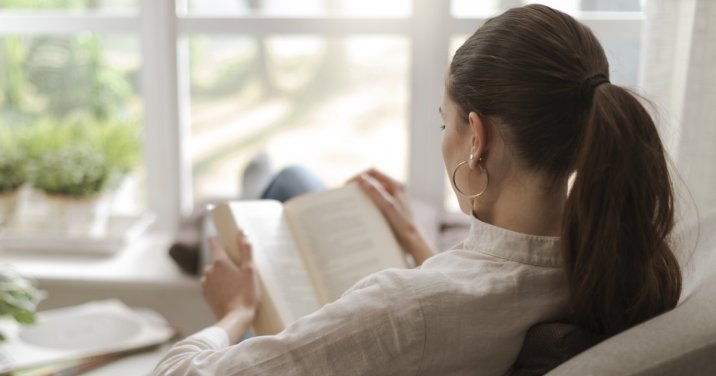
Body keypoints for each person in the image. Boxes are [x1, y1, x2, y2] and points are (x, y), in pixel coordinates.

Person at [153, 4, 682, 375]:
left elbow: (176, 374)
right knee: (292, 182)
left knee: (282, 184)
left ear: (477, 139)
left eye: (442, 122)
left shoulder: (404, 308)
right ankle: (261, 182)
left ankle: (234, 207)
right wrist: (413, 237)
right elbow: (481, 307)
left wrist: (235, 313)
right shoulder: (609, 260)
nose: (443, 137)